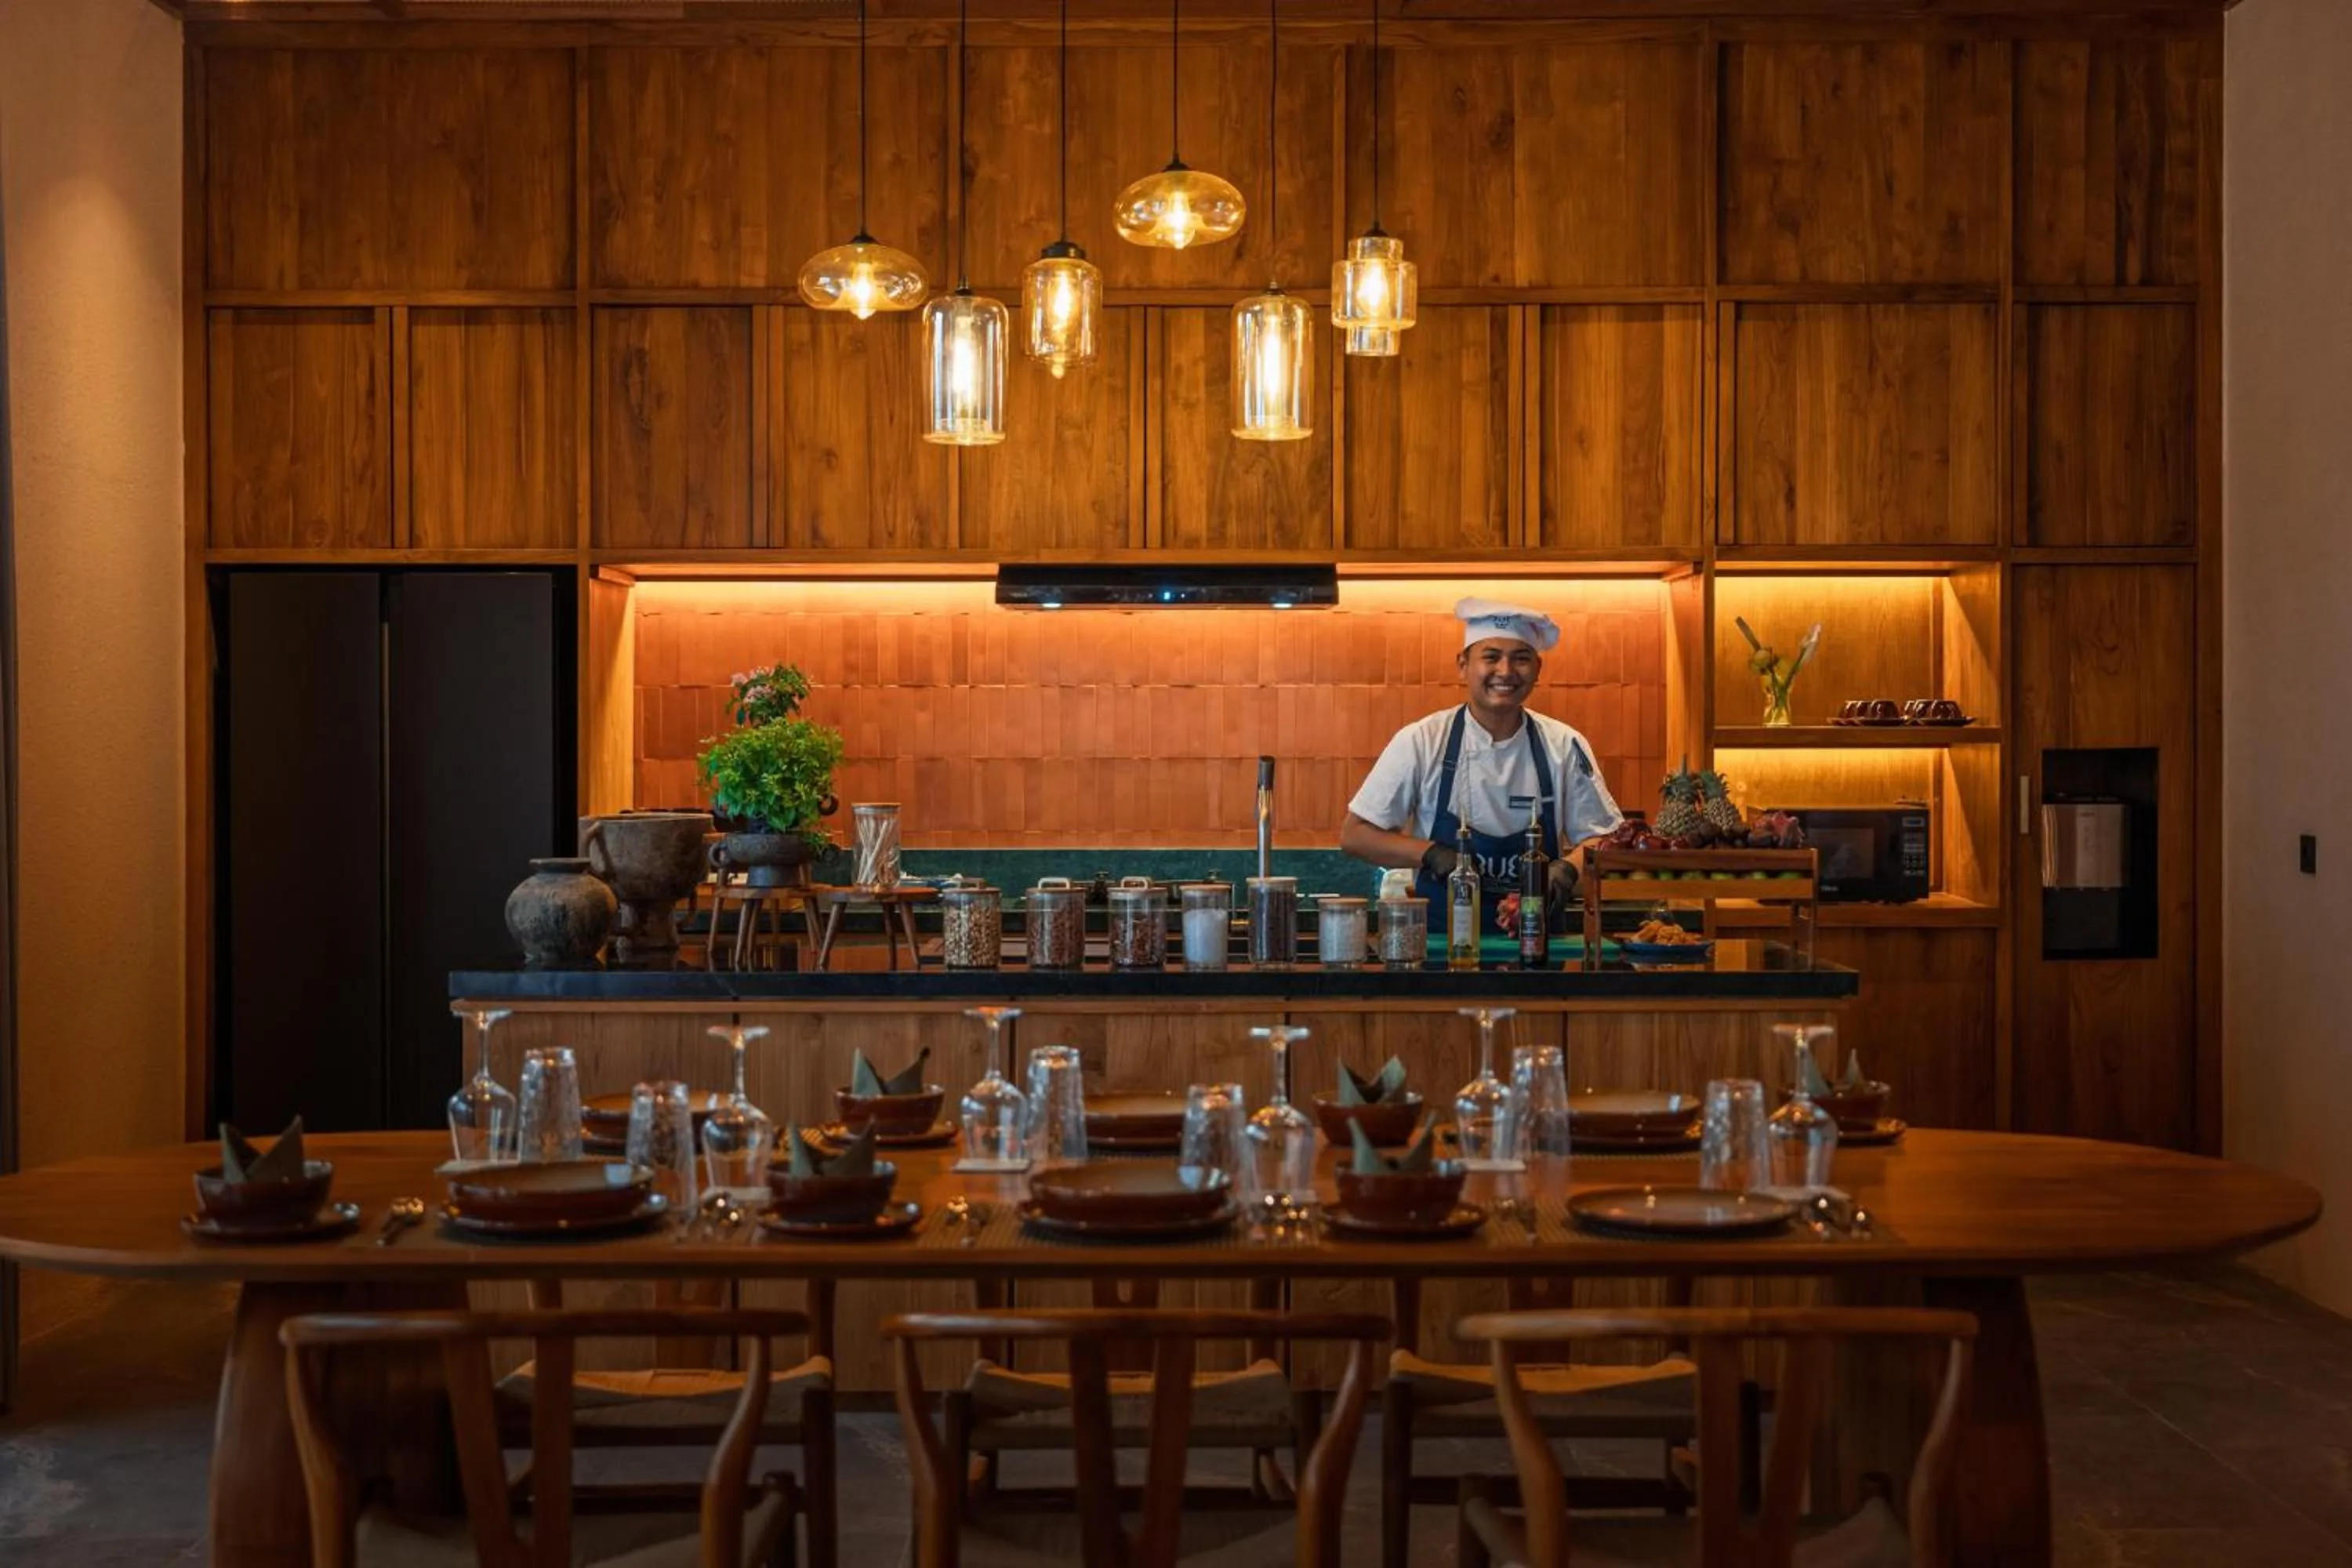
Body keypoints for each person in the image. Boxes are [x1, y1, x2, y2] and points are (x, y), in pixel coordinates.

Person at [1338, 597, 1624, 928]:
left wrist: (1566, 870)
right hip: (1441, 950)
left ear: (1537, 669)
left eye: (1520, 659)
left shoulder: (1564, 745)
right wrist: (1430, 853)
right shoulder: (1421, 741)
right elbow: (1355, 835)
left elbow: (1604, 840)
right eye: (1491, 657)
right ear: (1463, 664)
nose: (1505, 671)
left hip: (1537, 947)